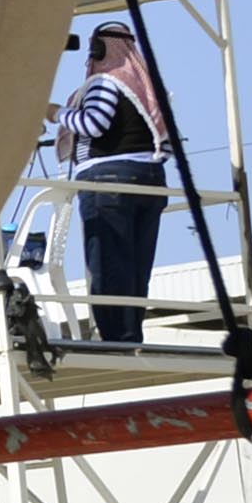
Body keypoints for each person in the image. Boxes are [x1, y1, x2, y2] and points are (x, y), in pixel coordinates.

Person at [52, 20, 174, 343]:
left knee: (107, 265)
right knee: (135, 267)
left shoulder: (105, 80)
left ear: (99, 49)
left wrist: (55, 113)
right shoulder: (144, 86)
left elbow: (94, 123)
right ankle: (130, 334)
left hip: (107, 182)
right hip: (149, 181)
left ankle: (115, 338)